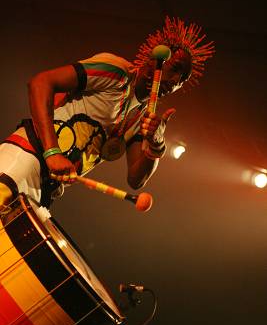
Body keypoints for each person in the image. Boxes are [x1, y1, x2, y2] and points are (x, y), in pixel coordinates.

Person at [0, 16, 214, 210]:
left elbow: (136, 180)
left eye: (182, 81)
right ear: (155, 59)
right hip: (26, 156)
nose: (176, 82)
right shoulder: (116, 72)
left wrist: (157, 144)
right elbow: (40, 83)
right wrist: (52, 152)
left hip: (48, 189)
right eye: (175, 68)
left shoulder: (142, 117)